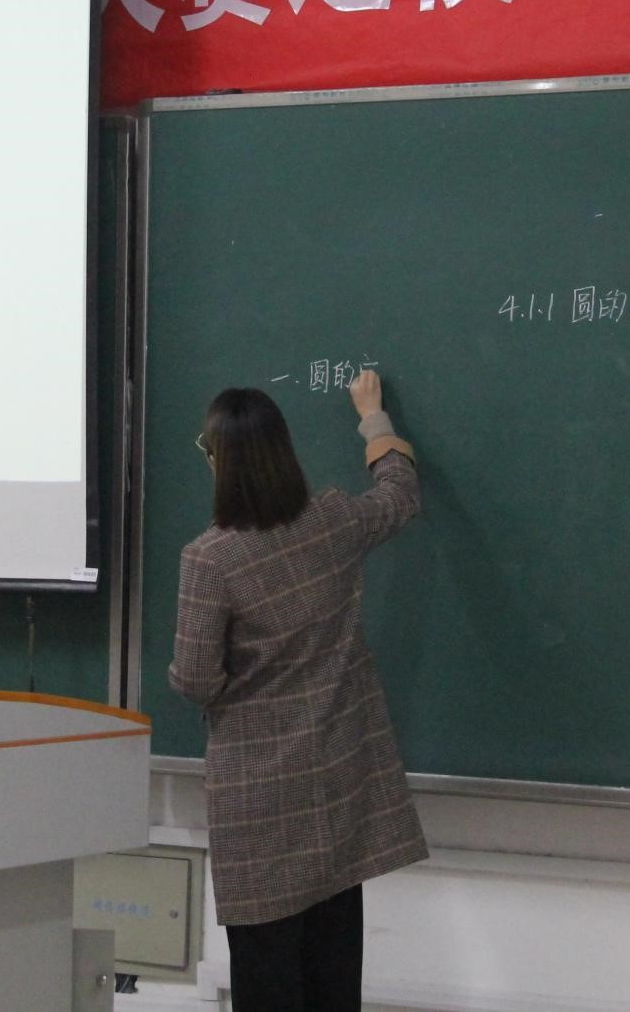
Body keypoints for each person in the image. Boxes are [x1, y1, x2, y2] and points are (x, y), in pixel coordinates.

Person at [169, 369, 427, 1011]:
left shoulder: (210, 560)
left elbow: (196, 680)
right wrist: (373, 417)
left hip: (257, 805)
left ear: (220, 463)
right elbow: (399, 494)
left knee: (268, 979)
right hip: (337, 788)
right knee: (333, 975)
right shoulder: (332, 520)